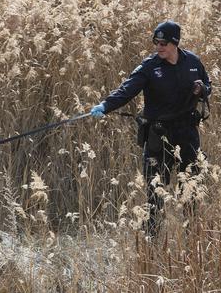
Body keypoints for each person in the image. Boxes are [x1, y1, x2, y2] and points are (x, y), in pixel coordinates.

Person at [90, 20, 212, 236]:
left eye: (164, 42)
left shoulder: (193, 62)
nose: (159, 46)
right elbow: (127, 90)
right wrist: (106, 105)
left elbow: (208, 84)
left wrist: (202, 88)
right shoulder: (149, 66)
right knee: (155, 193)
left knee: (190, 189)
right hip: (159, 135)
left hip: (187, 134)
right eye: (156, 42)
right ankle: (151, 242)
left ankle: (192, 240)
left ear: (175, 42)